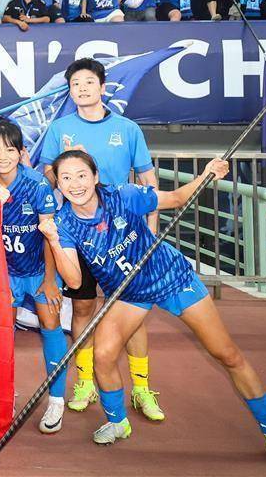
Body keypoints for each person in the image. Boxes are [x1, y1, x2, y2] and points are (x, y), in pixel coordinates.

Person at [41, 151, 266, 468]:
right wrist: (54, 241)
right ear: (58, 184)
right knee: (103, 356)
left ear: (95, 177)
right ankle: (117, 422)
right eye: (66, 178)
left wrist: (206, 175)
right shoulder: (64, 223)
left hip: (171, 277)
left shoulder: (123, 195)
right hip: (129, 291)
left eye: (82, 175)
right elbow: (74, 280)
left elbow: (176, 198)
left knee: (227, 354)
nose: (75, 184)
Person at [36, 58, 163, 421]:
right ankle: (85, 381)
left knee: (132, 313)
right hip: (79, 232)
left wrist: (151, 231)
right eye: (75, 84)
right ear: (70, 90)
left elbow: (148, 181)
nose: (82, 89)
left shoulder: (127, 129)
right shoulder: (60, 128)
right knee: (83, 309)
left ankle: (141, 388)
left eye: (89, 82)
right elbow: (48, 173)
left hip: (124, 233)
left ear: (103, 87)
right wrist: (67, 170)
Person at [0, 121, 66, 435]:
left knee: (51, 326)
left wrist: (50, 279)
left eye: (9, 149)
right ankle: (5, 397)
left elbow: (48, 234)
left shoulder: (37, 184)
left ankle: (56, 400)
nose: (2, 156)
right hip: (3, 273)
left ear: (21, 153)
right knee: (3, 336)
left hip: (38, 270)